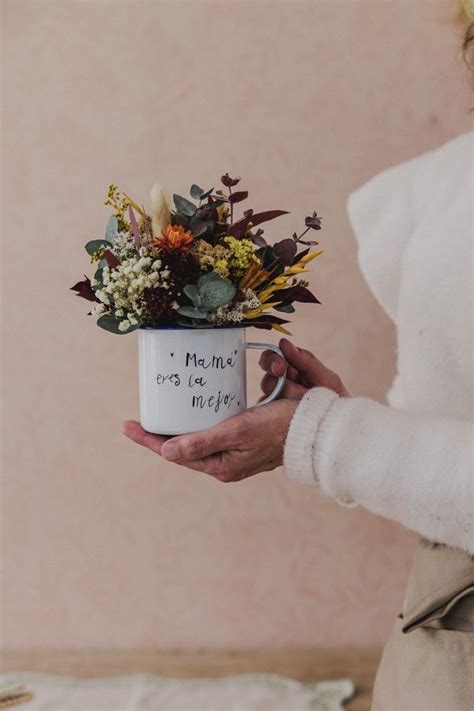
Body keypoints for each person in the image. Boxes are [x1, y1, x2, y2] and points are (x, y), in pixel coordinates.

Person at [122, 8, 474, 709]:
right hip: (443, 624)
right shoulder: (431, 194)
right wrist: (338, 421)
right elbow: (439, 443)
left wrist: (319, 437)